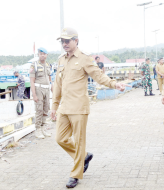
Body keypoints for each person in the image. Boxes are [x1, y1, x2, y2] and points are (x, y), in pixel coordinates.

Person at [51, 27, 129, 188]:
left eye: (67, 41)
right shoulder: (61, 60)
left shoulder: (85, 59)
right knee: (60, 138)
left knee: (79, 142)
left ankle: (75, 174)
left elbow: (99, 76)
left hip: (79, 107)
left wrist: (115, 84)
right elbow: (57, 85)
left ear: (76, 41)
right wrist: (54, 106)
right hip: (64, 107)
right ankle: (84, 157)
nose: (64, 44)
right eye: (62, 41)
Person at [30, 47, 53, 139]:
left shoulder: (48, 65)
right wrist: (34, 94)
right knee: (39, 110)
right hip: (39, 89)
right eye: (40, 54)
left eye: (44, 54)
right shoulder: (34, 65)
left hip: (47, 90)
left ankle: (43, 128)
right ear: (38, 55)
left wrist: (52, 88)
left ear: (46, 55)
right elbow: (32, 81)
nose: (42, 55)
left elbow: (50, 78)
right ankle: (38, 129)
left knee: (46, 109)